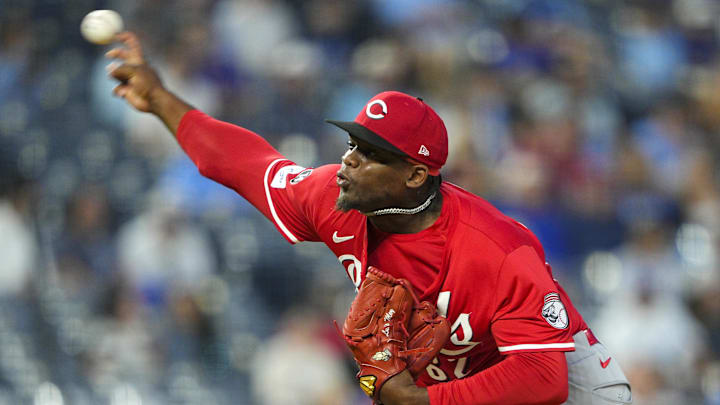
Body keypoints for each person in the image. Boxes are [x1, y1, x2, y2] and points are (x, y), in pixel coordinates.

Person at [107, 31, 632, 405]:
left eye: (372, 153)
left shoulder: (497, 249)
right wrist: (161, 101)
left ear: (413, 175)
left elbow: (545, 378)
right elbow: (245, 162)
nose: (350, 160)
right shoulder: (333, 198)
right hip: (456, 377)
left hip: (564, 380)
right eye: (353, 142)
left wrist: (423, 403)